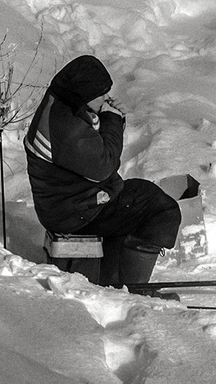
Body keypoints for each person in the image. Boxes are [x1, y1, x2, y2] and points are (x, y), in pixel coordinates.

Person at [25, 55, 180, 288]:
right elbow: (104, 165)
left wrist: (105, 117)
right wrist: (113, 119)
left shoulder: (59, 104)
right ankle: (134, 289)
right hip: (74, 214)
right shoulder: (67, 129)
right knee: (162, 210)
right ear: (84, 94)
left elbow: (90, 147)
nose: (106, 98)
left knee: (142, 194)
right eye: (101, 94)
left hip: (67, 204)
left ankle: (114, 273)